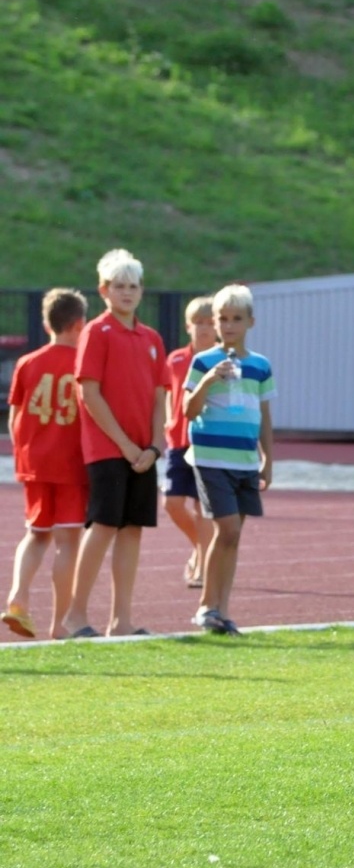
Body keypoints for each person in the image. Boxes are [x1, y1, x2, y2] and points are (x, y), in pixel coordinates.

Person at [59, 249, 167, 639]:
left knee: (132, 529)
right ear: (104, 290)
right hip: (108, 449)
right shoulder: (96, 332)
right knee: (103, 526)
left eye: (133, 286)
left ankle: (121, 621)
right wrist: (125, 446)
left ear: (141, 291)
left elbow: (159, 397)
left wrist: (154, 446)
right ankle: (75, 617)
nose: (127, 292)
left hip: (143, 453)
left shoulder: (152, 338)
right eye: (119, 286)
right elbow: (90, 394)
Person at [184, 284, 276, 635]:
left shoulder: (260, 366)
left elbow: (264, 416)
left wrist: (268, 459)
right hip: (211, 458)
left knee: (233, 538)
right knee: (227, 529)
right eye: (223, 319)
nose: (229, 325)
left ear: (250, 322)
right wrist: (208, 380)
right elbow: (188, 412)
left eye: (237, 319)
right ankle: (206, 605)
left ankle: (222, 610)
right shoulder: (202, 361)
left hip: (244, 461)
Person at [3, 289, 89, 639]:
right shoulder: (83, 364)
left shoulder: (27, 362)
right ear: (80, 323)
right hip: (70, 463)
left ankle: (17, 599)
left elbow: (14, 417)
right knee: (68, 542)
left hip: (34, 462)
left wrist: (25, 452)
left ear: (46, 323)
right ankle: (61, 623)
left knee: (36, 534)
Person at [163, 296, 217, 589]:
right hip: (178, 441)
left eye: (210, 323)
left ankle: (204, 568)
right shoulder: (175, 360)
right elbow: (165, 393)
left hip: (207, 443)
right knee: (171, 503)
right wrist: (165, 422)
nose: (204, 329)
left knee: (202, 508)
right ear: (188, 326)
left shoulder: (222, 362)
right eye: (198, 323)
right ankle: (199, 545)